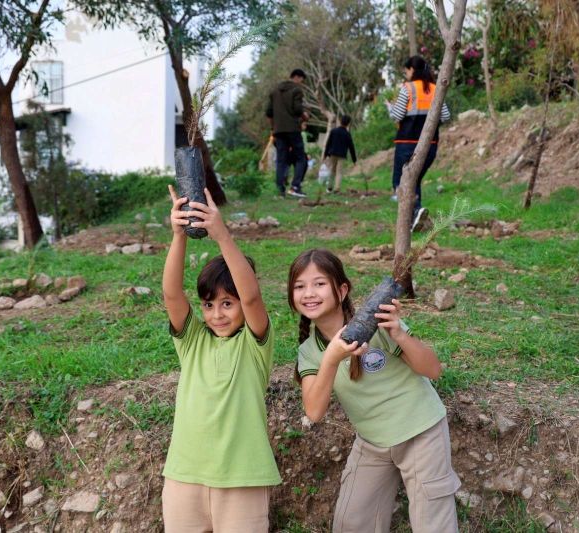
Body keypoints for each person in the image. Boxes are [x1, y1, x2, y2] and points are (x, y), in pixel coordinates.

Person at [287, 248, 460, 533]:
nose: (309, 293)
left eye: (319, 284)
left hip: (420, 432)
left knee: (433, 524)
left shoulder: (377, 324)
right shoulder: (309, 352)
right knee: (351, 523)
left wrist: (399, 335)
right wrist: (331, 357)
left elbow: (433, 370)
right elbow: (314, 412)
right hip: (373, 442)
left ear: (341, 290)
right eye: (299, 286)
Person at [161, 185, 281, 532]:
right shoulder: (193, 341)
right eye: (209, 305)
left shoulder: (255, 344)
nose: (217, 314)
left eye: (228, 303)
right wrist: (179, 235)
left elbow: (254, 298)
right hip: (184, 478)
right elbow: (172, 294)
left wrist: (223, 236)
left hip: (243, 480)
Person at [388, 56, 451, 232]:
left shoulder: (407, 89)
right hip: (430, 145)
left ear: (411, 70)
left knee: (400, 181)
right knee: (413, 180)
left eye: (406, 70)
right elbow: (445, 116)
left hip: (406, 143)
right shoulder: (436, 89)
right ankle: (416, 215)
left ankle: (414, 213)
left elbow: (397, 115)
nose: (405, 74)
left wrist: (390, 109)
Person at [266, 68, 309, 198]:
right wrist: (304, 115)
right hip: (293, 129)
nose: (301, 83)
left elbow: (269, 113)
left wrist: (273, 128)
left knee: (281, 161)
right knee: (301, 158)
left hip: (278, 131)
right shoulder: (296, 90)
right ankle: (295, 186)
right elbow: (297, 109)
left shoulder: (274, 91)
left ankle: (280, 191)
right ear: (297, 77)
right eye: (302, 80)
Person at [322, 115, 358, 194]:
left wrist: (325, 155)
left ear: (340, 121)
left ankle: (329, 188)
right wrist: (354, 160)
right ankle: (337, 189)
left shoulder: (333, 131)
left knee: (332, 170)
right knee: (339, 172)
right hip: (342, 155)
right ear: (348, 124)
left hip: (333, 154)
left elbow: (328, 143)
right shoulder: (347, 134)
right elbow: (351, 147)